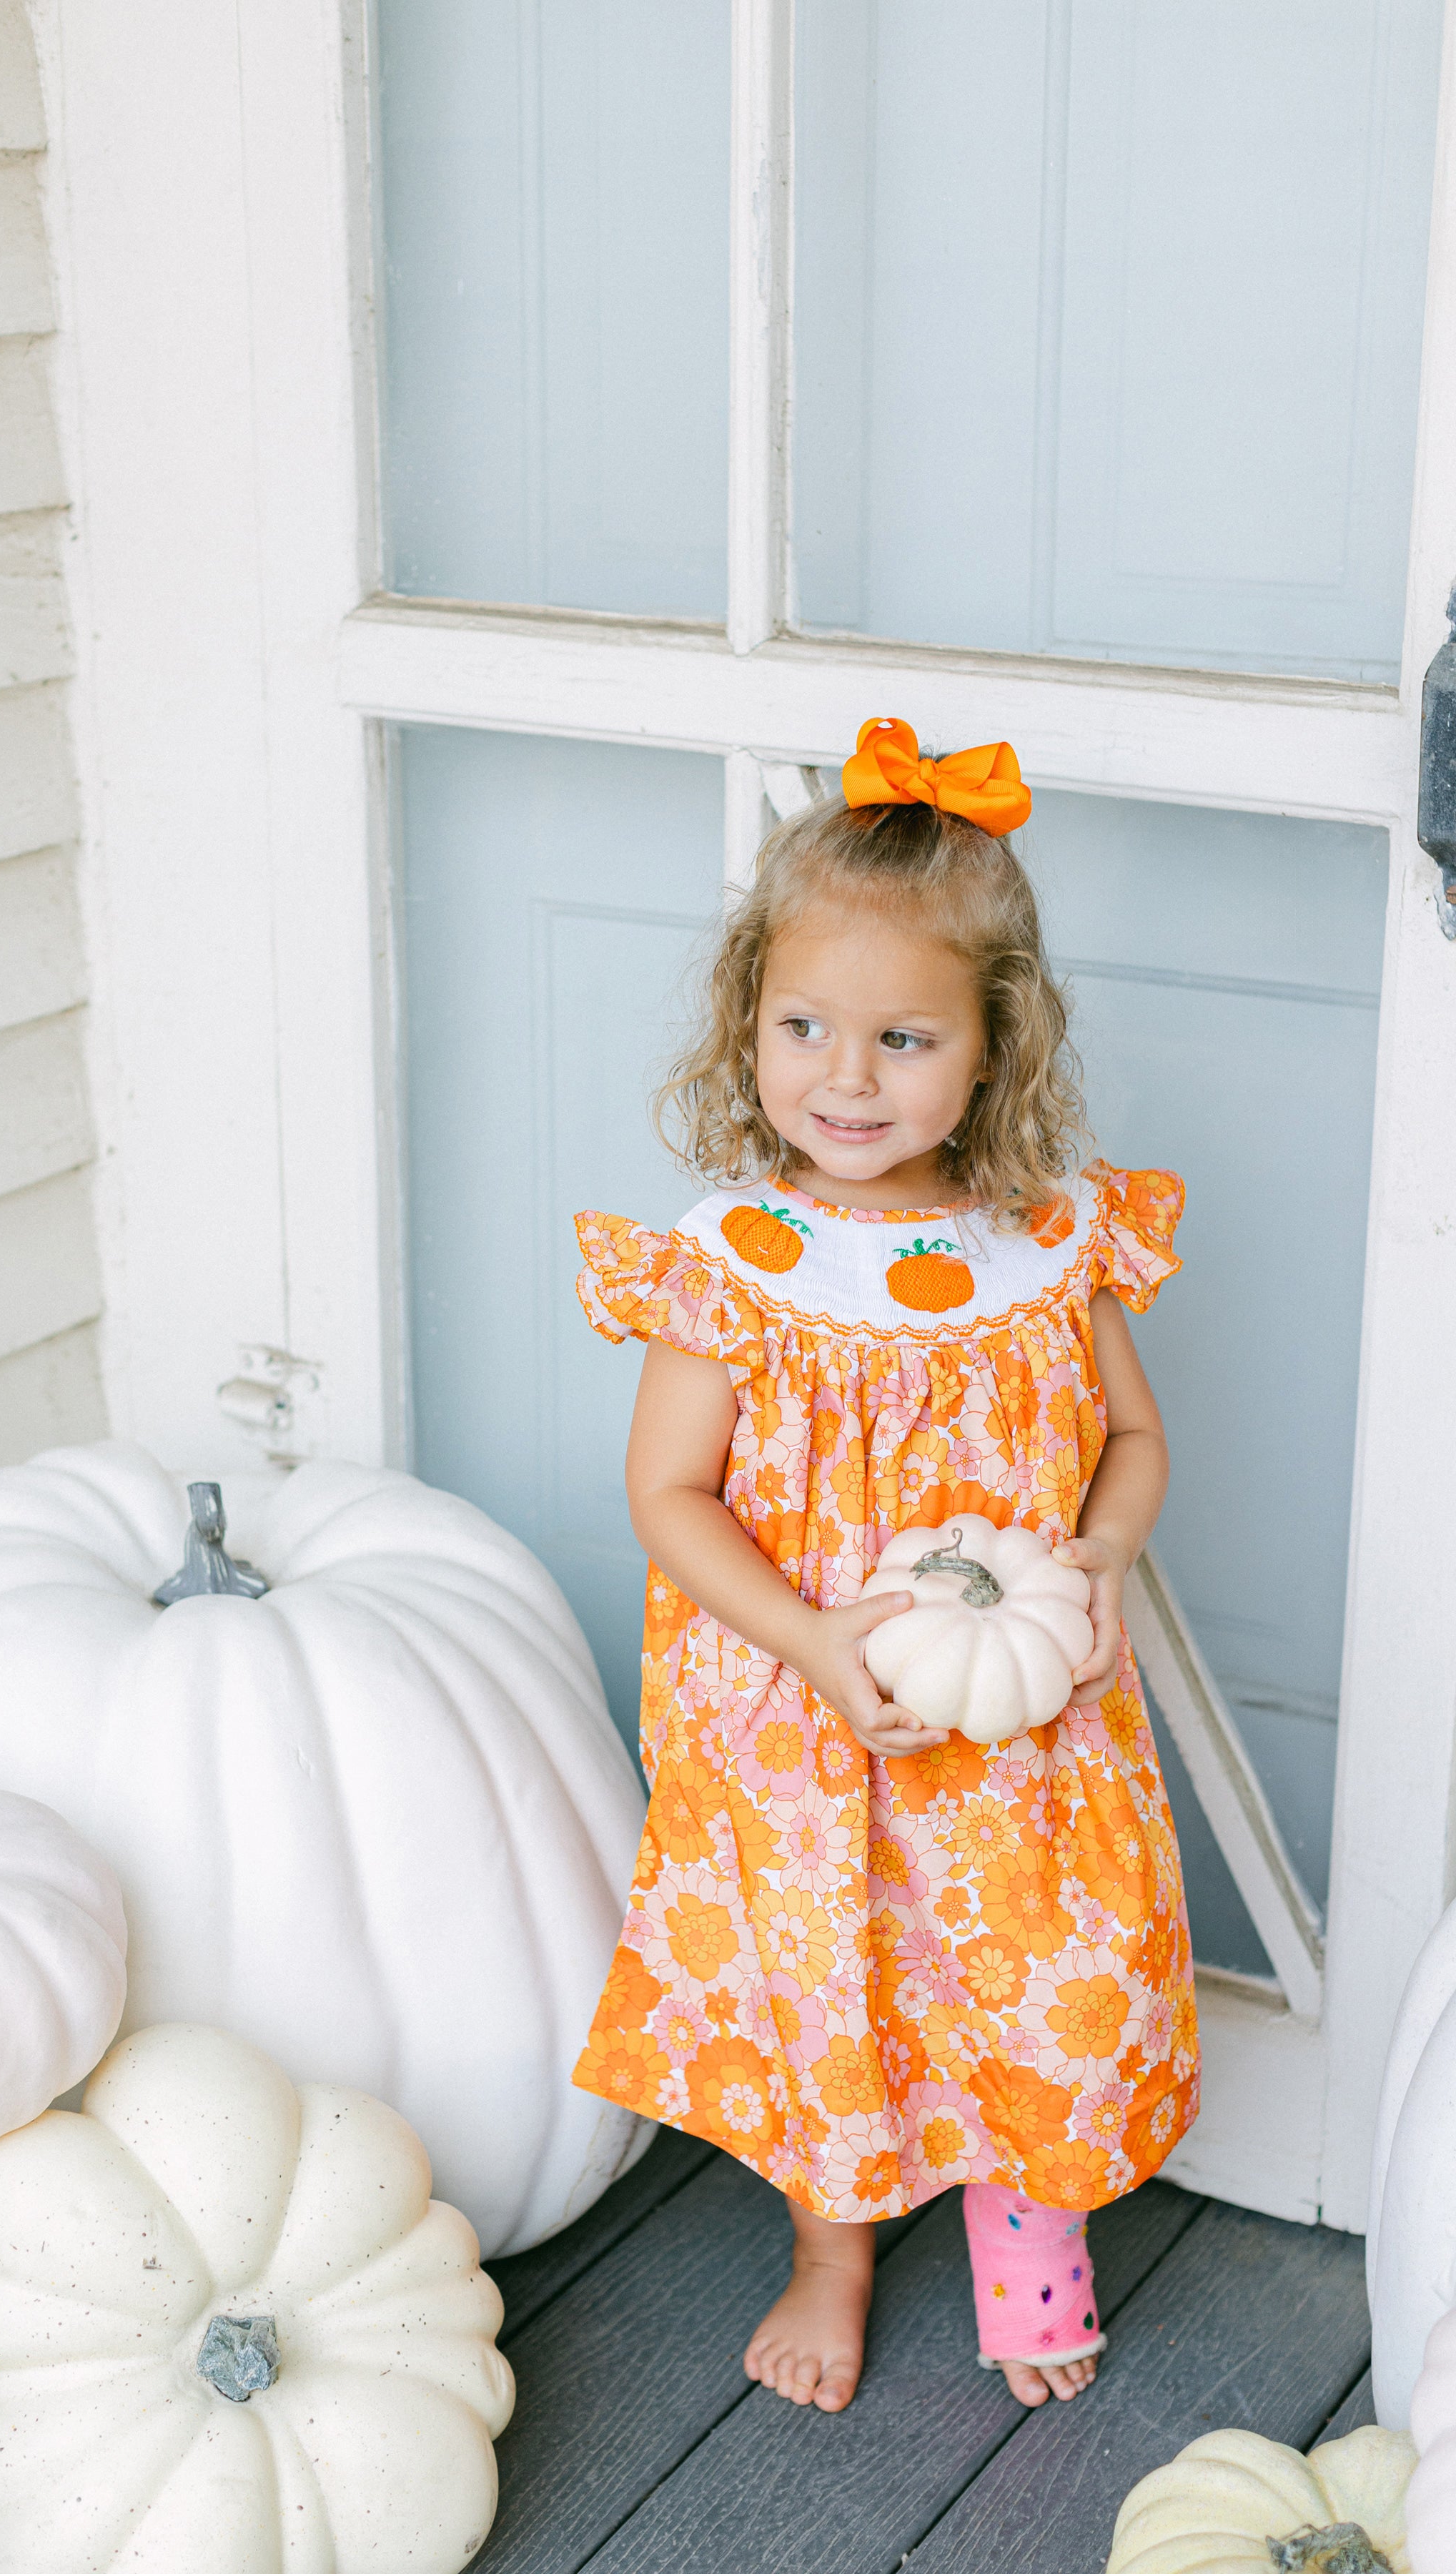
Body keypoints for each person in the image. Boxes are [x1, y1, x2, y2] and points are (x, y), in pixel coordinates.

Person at [570, 716, 1198, 2415]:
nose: (847, 1080)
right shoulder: (735, 1266)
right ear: (747, 1023)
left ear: (994, 1052)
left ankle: (1026, 2237)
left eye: (906, 1038)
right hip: (807, 1720)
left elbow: (1131, 1444)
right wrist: (815, 1640)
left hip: (1026, 1727)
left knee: (1033, 1974)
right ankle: (830, 2251)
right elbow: (670, 1493)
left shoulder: (1047, 1245)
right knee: (828, 1980)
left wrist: (1104, 1561)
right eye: (805, 1029)